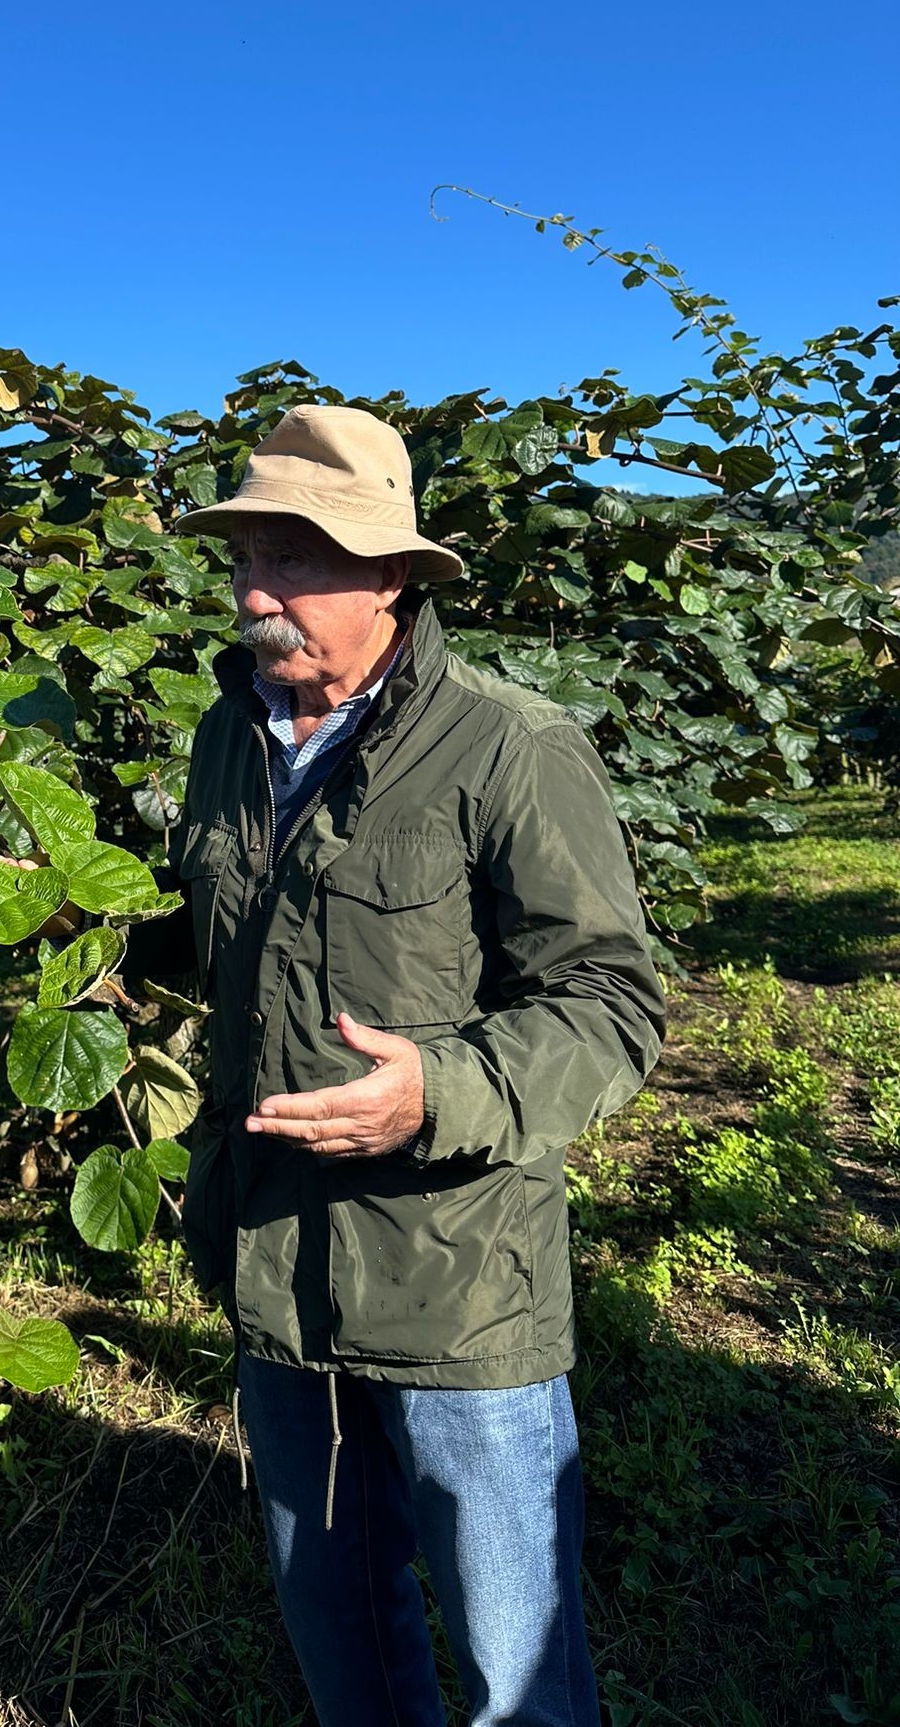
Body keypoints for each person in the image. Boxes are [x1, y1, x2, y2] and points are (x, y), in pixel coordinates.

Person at [126, 404, 667, 1727]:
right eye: (246, 554)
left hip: (454, 1282)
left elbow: (612, 1003)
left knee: (517, 1673)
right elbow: (231, 934)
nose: (258, 592)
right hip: (275, 1260)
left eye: (297, 559)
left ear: (390, 578)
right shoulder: (226, 741)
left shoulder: (509, 749)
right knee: (342, 1634)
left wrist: (442, 1092)